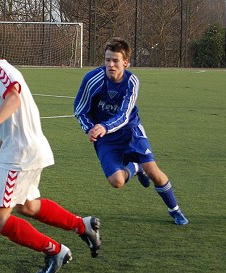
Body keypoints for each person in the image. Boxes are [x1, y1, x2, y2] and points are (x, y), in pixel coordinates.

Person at [0, 34, 101, 273]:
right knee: (28, 206)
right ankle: (83, 225)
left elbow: (14, 100)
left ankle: (56, 251)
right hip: (26, 150)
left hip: (20, 156)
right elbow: (11, 125)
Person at [74, 37, 188, 225]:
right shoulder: (92, 79)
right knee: (117, 181)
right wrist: (89, 128)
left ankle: (175, 210)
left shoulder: (131, 81)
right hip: (105, 138)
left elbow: (124, 115)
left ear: (125, 62)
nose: (111, 64)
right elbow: (80, 108)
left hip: (130, 131)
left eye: (116, 60)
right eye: (107, 60)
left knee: (153, 172)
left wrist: (104, 126)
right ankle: (135, 167)